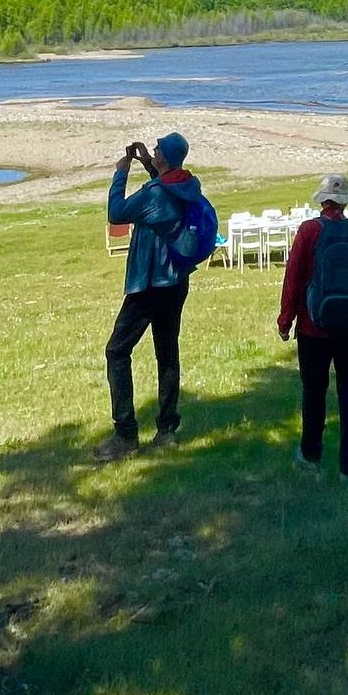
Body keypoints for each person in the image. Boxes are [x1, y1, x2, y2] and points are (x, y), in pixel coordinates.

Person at [96, 131, 205, 461]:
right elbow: (165, 183)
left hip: (149, 283)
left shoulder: (156, 193)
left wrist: (120, 172)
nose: (154, 149)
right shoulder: (186, 184)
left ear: (166, 158)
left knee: (116, 351)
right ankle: (167, 429)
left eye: (157, 149)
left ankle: (125, 434)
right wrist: (146, 162)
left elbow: (117, 212)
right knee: (167, 352)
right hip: (176, 281)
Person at [279, 174, 348, 483]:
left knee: (314, 392)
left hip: (313, 327)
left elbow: (294, 279)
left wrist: (285, 319)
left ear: (322, 200)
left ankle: (310, 454)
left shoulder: (308, 231)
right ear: (344, 203)